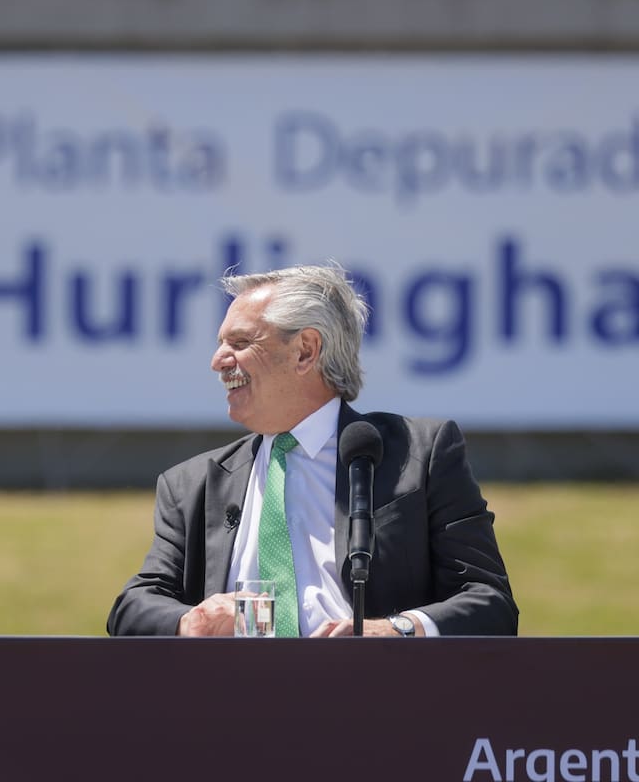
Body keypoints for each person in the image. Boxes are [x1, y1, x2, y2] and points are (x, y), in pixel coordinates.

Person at [107, 264, 517, 637]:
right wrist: (193, 620)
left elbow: (490, 603)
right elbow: (131, 609)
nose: (218, 361)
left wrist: (397, 631)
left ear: (306, 350)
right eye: (220, 344)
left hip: (375, 690)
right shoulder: (191, 484)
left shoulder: (420, 455)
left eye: (240, 342)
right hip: (239, 692)